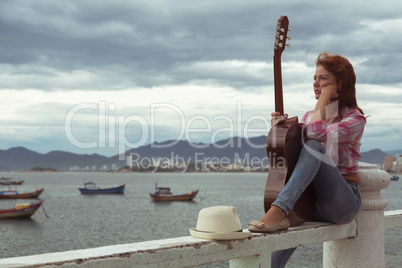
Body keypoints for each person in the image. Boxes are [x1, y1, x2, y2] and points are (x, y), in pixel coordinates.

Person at [248, 52, 366, 267]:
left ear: (340, 85)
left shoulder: (355, 118)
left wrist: (322, 99)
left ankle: (279, 209)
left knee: (313, 146)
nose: (315, 84)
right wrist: (285, 127)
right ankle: (282, 211)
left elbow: (316, 136)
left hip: (343, 203)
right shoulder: (309, 117)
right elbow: (300, 146)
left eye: (323, 79)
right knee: (271, 257)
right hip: (310, 201)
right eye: (314, 78)